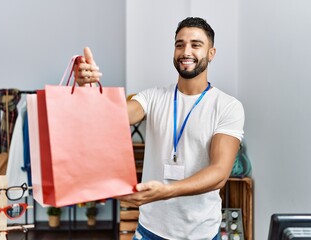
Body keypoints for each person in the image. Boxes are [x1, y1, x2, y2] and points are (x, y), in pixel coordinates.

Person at [76, 17, 244, 240]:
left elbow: (219, 173)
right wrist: (88, 90)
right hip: (149, 231)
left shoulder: (227, 106)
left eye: (196, 45)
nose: (186, 51)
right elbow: (114, 116)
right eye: (179, 44)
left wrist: (166, 192)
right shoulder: (153, 97)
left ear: (211, 53)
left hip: (201, 234)